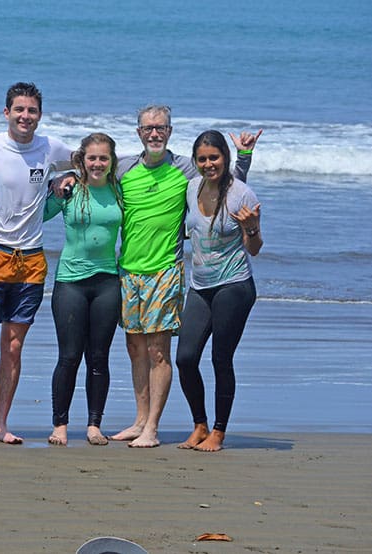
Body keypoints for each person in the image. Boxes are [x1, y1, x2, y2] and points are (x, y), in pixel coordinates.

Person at [107, 105, 260, 447]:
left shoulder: (185, 169)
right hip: (132, 271)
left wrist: (245, 156)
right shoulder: (125, 168)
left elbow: (229, 184)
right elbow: (94, 171)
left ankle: (160, 429)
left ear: (170, 131)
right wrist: (63, 180)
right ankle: (143, 421)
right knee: (140, 349)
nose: (155, 133)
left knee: (165, 352)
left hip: (172, 271)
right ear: (138, 132)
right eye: (148, 128)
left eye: (161, 127)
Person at [0, 82, 72, 444]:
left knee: (14, 347)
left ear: (40, 115)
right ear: (6, 112)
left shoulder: (52, 147)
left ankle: (0, 424)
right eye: (19, 110)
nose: (25, 116)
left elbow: (85, 166)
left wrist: (63, 183)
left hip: (32, 260)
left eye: (32, 111)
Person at [175, 130, 263, 452]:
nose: (209, 164)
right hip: (199, 286)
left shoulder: (243, 195)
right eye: (202, 159)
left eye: (214, 157)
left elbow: (254, 249)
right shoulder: (190, 188)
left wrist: (251, 227)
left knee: (220, 359)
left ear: (224, 158)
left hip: (234, 286)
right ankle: (199, 424)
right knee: (185, 358)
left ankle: (219, 431)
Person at [43, 133, 122, 446]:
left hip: (107, 282)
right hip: (70, 282)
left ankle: (93, 425)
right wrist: (55, 185)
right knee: (70, 356)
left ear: (112, 161)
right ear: (82, 160)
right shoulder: (70, 188)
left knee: (99, 357)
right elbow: (41, 213)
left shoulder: (120, 190)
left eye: (104, 158)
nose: (98, 163)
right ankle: (60, 424)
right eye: (92, 158)